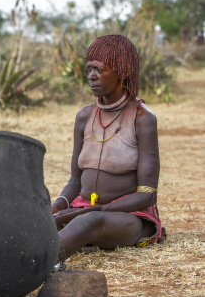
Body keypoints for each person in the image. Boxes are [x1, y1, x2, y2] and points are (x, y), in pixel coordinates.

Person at [51, 34, 166, 270]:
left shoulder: (142, 118)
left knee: (89, 221)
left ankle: (33, 265)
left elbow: (147, 195)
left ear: (122, 72)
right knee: (37, 216)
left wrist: (98, 209)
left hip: (128, 217)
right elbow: (75, 181)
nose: (92, 76)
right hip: (83, 210)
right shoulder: (85, 116)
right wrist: (59, 206)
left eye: (99, 70)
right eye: (90, 69)